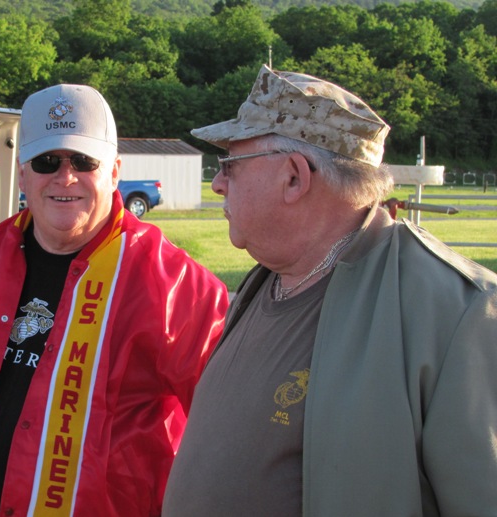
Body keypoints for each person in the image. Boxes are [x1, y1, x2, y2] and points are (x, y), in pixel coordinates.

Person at [163, 64, 497, 516]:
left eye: (230, 165)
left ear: (295, 177)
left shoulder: (458, 312)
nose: (219, 182)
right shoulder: (272, 274)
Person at [0, 84, 228, 517]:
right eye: (46, 161)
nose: (65, 177)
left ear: (114, 172)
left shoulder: (175, 284)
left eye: (84, 161)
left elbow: (230, 432)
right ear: (23, 176)